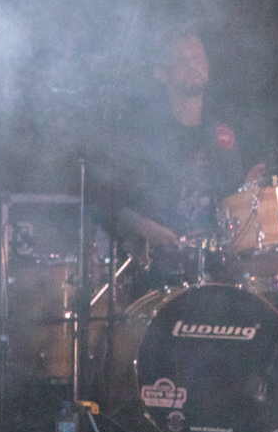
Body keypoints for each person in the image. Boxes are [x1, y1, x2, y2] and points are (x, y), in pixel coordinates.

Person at [106, 30, 266, 288]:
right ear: (162, 73)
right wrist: (143, 225)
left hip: (213, 276)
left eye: (199, 57)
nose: (193, 64)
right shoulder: (143, 135)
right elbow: (106, 203)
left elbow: (229, 213)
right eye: (182, 59)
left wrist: (246, 193)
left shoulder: (222, 137)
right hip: (154, 276)